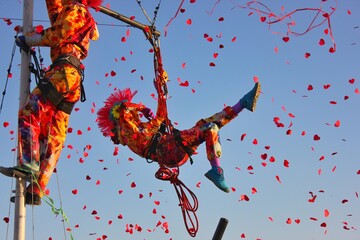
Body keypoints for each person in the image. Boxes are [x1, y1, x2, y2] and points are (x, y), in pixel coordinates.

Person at [0, 0, 102, 205]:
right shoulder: (82, 14)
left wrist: (29, 39)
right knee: (55, 135)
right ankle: (37, 189)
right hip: (73, 78)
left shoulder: (75, 9)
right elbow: (57, 14)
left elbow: (58, 34)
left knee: (31, 109)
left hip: (64, 72)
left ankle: (28, 163)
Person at [97, 82, 261, 193]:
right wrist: (141, 107)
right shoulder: (129, 133)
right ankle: (216, 171)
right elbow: (124, 110)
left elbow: (160, 116)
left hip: (172, 146)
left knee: (206, 123)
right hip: (170, 151)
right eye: (132, 114)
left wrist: (162, 91)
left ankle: (242, 104)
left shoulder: (140, 128)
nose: (135, 115)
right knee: (210, 129)